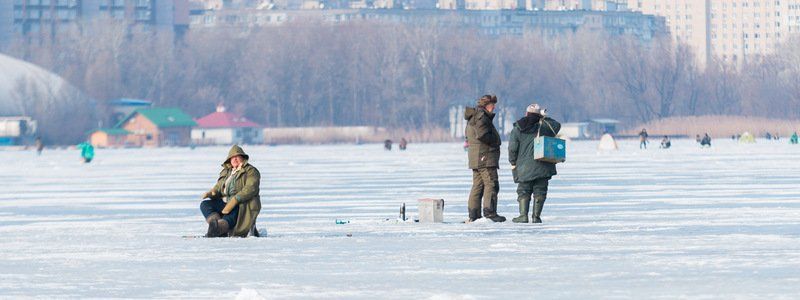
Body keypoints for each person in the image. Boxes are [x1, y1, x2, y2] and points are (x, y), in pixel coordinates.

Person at [508, 104, 561, 223]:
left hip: (524, 166)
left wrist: (513, 161)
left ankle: (523, 216)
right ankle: (536, 217)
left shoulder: (518, 128)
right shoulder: (545, 126)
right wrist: (544, 117)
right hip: (543, 164)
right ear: (539, 114)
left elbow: (512, 148)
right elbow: (557, 126)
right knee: (540, 190)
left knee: (523, 190)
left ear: (526, 113)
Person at [200, 145, 262, 237]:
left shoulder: (251, 171)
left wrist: (235, 199)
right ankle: (216, 227)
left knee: (232, 212)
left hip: (240, 203)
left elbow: (250, 188)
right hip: (224, 202)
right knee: (205, 204)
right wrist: (212, 192)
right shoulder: (226, 172)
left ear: (243, 158)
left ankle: (220, 228)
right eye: (232, 157)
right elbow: (219, 187)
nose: (235, 159)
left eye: (237, 156)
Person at [464, 94, 505, 222]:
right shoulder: (481, 117)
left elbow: (469, 137)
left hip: (476, 157)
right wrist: (495, 141)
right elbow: (482, 134)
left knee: (478, 185)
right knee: (491, 183)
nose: (494, 108)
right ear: (487, 105)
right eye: (492, 105)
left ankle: (474, 215)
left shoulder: (473, 117)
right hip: (485, 157)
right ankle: (490, 213)